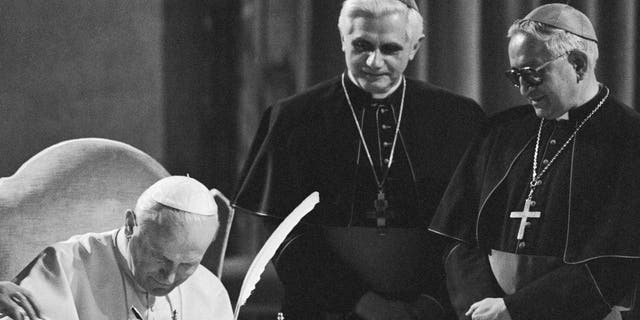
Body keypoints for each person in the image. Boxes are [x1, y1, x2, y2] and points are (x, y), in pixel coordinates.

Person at [233, 0, 484, 318]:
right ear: (342, 39)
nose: (374, 62)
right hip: (327, 309)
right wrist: (361, 303)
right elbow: (286, 235)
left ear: (414, 47)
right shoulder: (294, 118)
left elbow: (468, 229)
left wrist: (432, 305)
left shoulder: (457, 118)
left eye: (390, 49)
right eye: (361, 45)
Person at [429, 3, 640, 320]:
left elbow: (617, 264)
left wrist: (517, 310)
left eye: (532, 75)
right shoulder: (500, 132)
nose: (524, 89)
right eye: (515, 76)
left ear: (578, 64)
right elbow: (457, 238)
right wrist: (482, 306)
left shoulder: (629, 138)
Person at [1, 176, 233, 320]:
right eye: (159, 257)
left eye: (188, 265)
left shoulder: (209, 292)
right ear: (131, 224)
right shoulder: (64, 266)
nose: (170, 276)